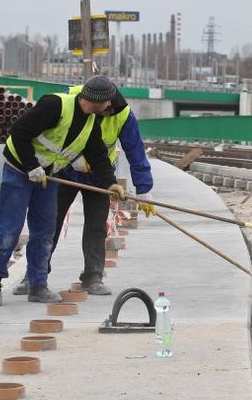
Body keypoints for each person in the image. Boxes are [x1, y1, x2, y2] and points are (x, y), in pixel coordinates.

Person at [0, 75, 124, 306]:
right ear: (96, 99)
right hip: (19, 171)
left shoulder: (90, 123)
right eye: (107, 101)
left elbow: (98, 155)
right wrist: (31, 166)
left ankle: (38, 286)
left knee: (45, 232)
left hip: (48, 177)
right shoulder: (55, 105)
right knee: (9, 229)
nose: (110, 105)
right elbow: (19, 131)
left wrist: (111, 183)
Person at [13, 77, 154, 296]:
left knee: (96, 226)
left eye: (109, 109)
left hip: (100, 175)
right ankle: (34, 276)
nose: (106, 111)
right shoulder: (71, 98)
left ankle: (93, 276)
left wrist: (144, 190)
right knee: (49, 224)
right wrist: (74, 158)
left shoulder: (122, 114)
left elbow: (135, 150)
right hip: (64, 170)